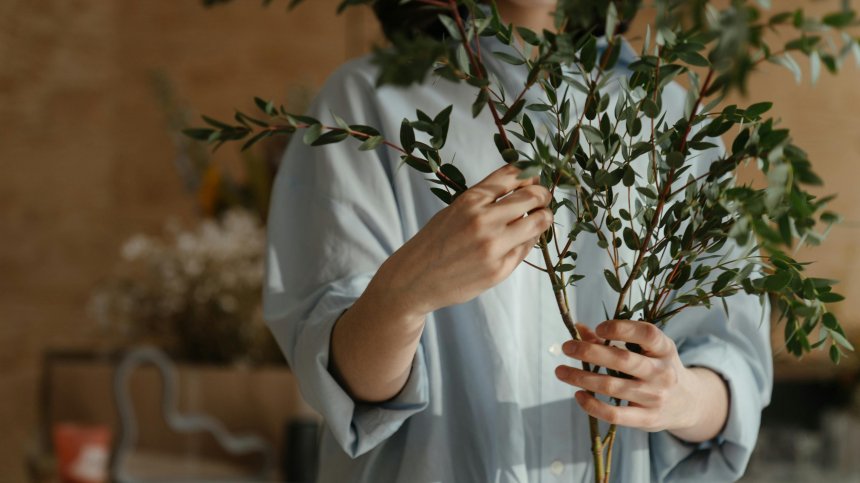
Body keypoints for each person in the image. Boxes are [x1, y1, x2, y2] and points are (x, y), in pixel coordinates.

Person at [263, 1, 773, 481]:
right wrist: (404, 295)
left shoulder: (675, 115)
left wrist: (680, 397)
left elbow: (734, 363)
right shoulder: (363, 104)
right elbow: (340, 382)